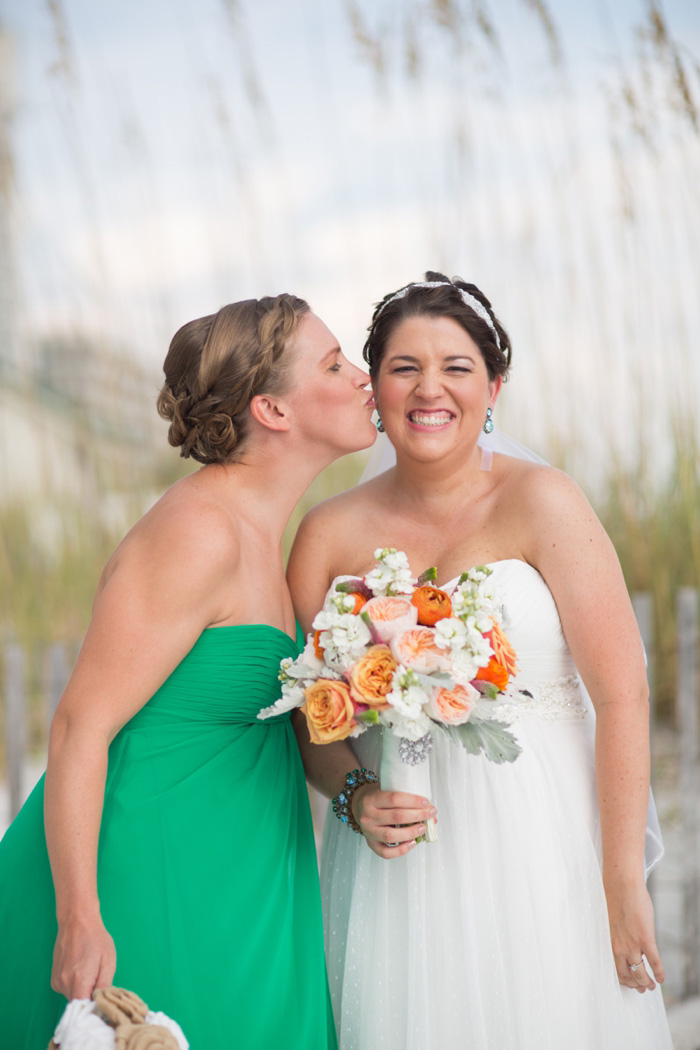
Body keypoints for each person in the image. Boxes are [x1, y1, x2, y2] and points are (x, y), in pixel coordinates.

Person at [287, 273, 674, 1050]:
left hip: (544, 845)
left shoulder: (545, 502)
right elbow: (313, 716)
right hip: (400, 864)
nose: (431, 389)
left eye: (457, 368)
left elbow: (623, 693)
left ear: (493, 385)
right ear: (376, 389)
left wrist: (622, 876)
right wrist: (355, 792)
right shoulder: (325, 535)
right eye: (404, 368)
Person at [0, 294, 377, 1050]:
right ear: (271, 408)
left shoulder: (267, 538)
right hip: (138, 871)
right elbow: (80, 725)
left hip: (237, 874)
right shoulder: (196, 532)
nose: (363, 376)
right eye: (335, 363)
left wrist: (360, 795)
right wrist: (79, 916)